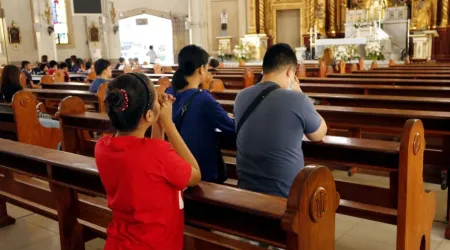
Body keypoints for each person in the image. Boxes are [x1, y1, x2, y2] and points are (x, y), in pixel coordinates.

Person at [95, 73, 201, 250]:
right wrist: (168, 124)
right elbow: (195, 175)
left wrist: (157, 122)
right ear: (149, 115)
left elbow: (149, 155)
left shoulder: (102, 146)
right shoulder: (158, 153)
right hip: (155, 244)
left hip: (119, 242)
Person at [233, 43, 327, 198]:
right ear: (290, 72)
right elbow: (319, 134)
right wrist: (299, 91)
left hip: (246, 190)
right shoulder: (297, 99)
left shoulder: (241, 96)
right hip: (285, 195)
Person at [166, 45, 235, 182]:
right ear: (201, 69)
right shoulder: (203, 99)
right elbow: (232, 128)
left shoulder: (169, 92)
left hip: (176, 166)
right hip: (200, 171)